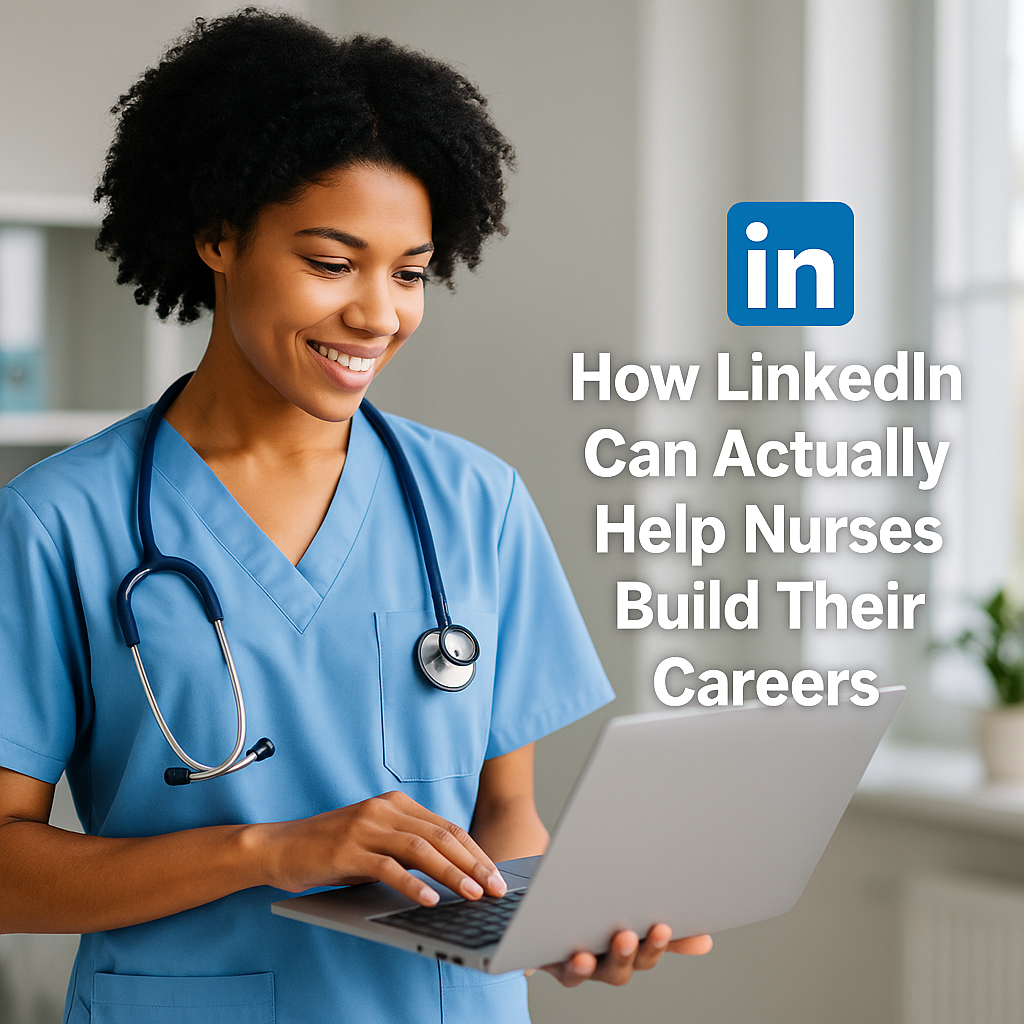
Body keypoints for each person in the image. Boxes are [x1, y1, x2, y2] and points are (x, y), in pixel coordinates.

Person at [0, 11, 710, 1023]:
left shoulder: (476, 504)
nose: (378, 313)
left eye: (409, 272)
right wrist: (271, 849)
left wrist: (559, 921)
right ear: (217, 236)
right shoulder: (58, 523)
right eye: (332, 263)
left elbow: (505, 817)